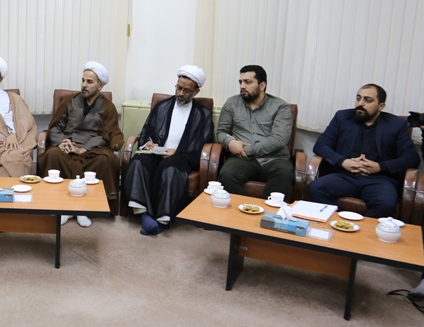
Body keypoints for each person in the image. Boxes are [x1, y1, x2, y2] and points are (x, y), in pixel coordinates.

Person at [123, 65, 213, 235]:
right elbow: (146, 132)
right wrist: (148, 144)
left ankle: (162, 220)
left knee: (170, 169)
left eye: (186, 90)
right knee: (138, 162)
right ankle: (143, 215)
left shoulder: (203, 114)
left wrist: (177, 152)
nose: (180, 93)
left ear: (196, 91)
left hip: (181, 157)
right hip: (155, 154)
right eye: (178, 88)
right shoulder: (162, 106)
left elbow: (202, 144)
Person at [307, 84, 419, 218]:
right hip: (344, 176)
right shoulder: (342, 117)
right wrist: (343, 162)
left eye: (367, 100)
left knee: (386, 203)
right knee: (317, 187)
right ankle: (335, 225)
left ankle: (364, 231)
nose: (360, 104)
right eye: (358, 98)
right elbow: (321, 145)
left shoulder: (396, 124)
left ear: (381, 106)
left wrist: (380, 166)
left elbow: (412, 158)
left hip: (379, 179)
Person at [38, 61, 123, 227]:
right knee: (52, 155)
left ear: (100, 86)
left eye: (89, 82)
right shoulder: (69, 101)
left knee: (105, 160)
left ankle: (84, 208)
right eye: (83, 80)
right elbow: (55, 127)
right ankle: (63, 207)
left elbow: (106, 134)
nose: (84, 85)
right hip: (66, 146)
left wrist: (83, 148)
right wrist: (62, 142)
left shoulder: (108, 107)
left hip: (92, 149)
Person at [217, 65, 294, 199]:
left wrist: (246, 150)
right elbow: (221, 132)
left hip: (274, 159)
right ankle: (240, 210)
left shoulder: (280, 107)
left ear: (262, 85)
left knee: (285, 172)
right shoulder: (232, 103)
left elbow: (279, 139)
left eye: (248, 82)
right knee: (227, 173)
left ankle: (268, 211)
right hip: (241, 160)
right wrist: (229, 143)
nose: (242, 86)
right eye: (240, 82)